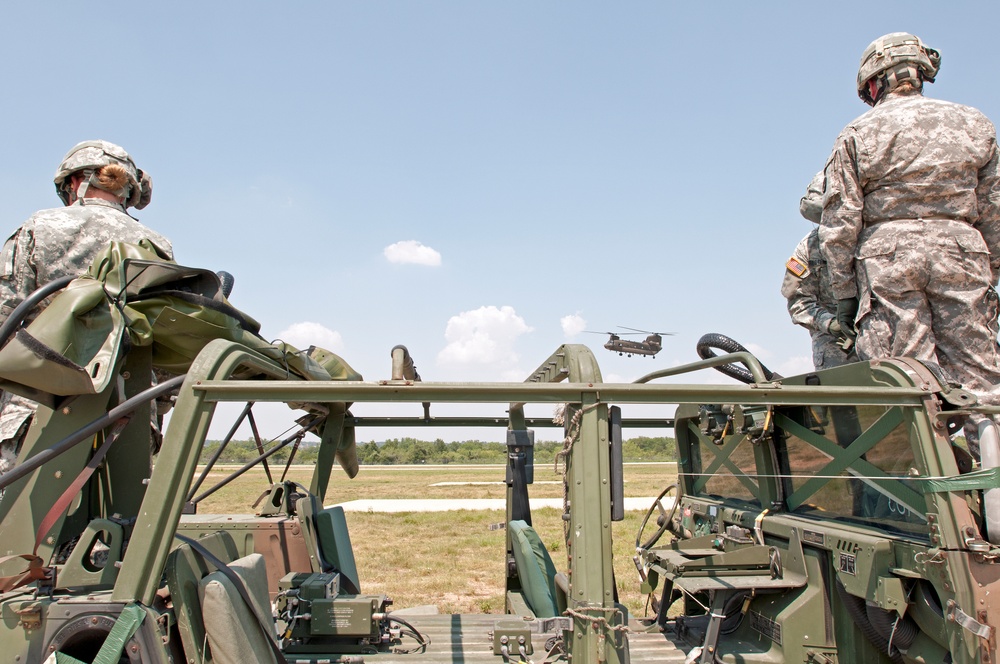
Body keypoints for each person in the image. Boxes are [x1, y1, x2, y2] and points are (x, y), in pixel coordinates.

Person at [820, 33, 1000, 403]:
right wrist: (990, 269)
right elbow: (993, 206)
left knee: (905, 376)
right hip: (963, 251)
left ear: (874, 82)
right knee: (981, 378)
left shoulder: (859, 132)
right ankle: (989, 452)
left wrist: (844, 295)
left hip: (888, 259)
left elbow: (841, 220)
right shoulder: (974, 123)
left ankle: (932, 460)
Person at [0, 140, 173, 478]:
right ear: (128, 191)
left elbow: (6, 317)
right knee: (120, 526)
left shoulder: (39, 228)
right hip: (129, 421)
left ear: (75, 182)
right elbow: (167, 342)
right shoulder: (157, 246)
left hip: (34, 416)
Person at [782, 171, 856, 370]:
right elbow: (798, 302)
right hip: (836, 345)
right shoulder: (808, 248)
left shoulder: (876, 238)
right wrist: (830, 324)